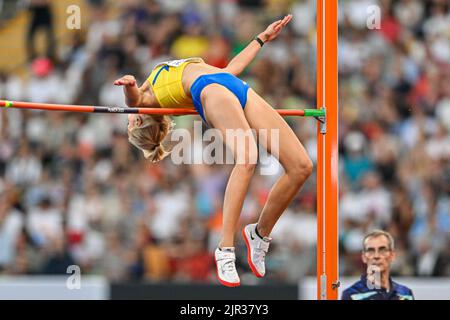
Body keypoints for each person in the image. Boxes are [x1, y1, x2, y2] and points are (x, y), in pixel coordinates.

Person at [114, 14, 314, 287]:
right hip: (210, 92)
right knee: (247, 159)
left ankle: (259, 234)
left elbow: (229, 70)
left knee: (301, 166)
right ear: (140, 118)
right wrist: (129, 89)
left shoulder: (152, 82)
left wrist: (261, 39)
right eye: (131, 118)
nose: (130, 114)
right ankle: (225, 249)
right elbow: (135, 99)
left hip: (231, 85)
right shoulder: (147, 100)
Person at [341, 230, 415, 300]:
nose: (376, 256)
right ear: (364, 257)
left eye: (382, 250)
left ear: (392, 255)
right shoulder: (352, 295)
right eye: (371, 250)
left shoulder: (405, 294)